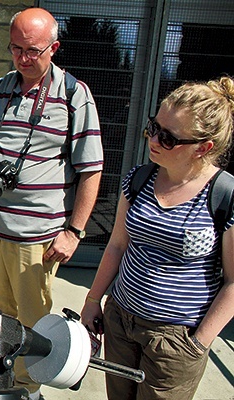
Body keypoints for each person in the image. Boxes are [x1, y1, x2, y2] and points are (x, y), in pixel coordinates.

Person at [0, 8, 103, 399]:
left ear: (54, 48)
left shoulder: (75, 95)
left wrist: (74, 231)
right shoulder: (2, 87)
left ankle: (26, 387)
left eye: (33, 50)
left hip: (36, 238)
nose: (24, 58)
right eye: (16, 49)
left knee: (31, 319)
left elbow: (91, 170)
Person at [80, 77, 234, 399]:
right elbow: (118, 245)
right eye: (154, 127)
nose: (153, 139)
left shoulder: (224, 195)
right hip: (120, 322)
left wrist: (198, 343)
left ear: (203, 148)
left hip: (175, 341)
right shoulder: (139, 178)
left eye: (167, 137)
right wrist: (93, 299)